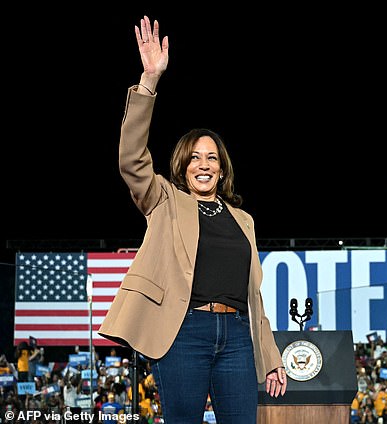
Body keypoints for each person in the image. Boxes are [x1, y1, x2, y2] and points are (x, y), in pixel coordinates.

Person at [98, 15, 287, 423]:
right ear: (183, 165)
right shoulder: (165, 200)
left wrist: (270, 357)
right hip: (183, 334)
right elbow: (131, 160)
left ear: (222, 169)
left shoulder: (244, 219)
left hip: (237, 337)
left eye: (212, 158)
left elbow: (255, 299)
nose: (204, 165)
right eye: (195, 157)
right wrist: (149, 81)